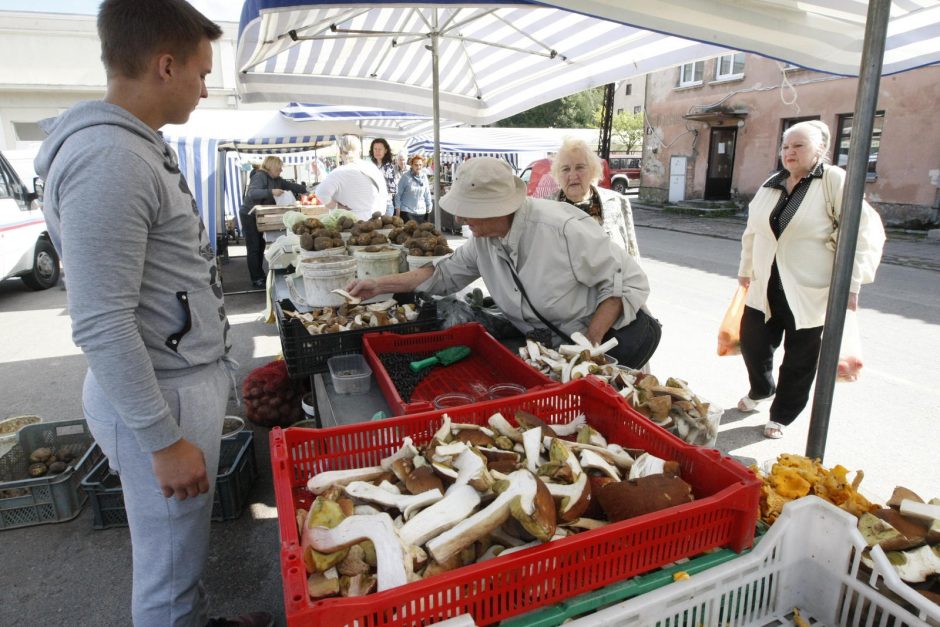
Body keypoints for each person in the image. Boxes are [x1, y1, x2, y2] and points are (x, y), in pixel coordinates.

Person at [32, 2, 272, 626]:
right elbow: (101, 322)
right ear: (166, 66)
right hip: (159, 396)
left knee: (180, 550)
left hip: (170, 383)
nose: (204, 86)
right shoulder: (110, 160)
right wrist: (163, 440)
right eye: (201, 71)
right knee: (165, 571)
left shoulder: (133, 148)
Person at [348, 157, 659, 368]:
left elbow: (621, 282)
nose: (459, 218)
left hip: (611, 347)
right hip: (555, 353)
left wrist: (590, 347)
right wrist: (379, 285)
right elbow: (442, 273)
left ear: (497, 209)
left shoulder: (561, 229)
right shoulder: (484, 241)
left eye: (467, 209)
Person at [737, 120, 885, 439]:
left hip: (810, 289)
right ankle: (762, 389)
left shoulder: (833, 181)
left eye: (799, 146)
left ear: (820, 149)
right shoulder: (772, 183)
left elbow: (861, 232)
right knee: (753, 342)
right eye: (786, 146)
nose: (789, 152)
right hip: (766, 284)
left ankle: (782, 415)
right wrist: (746, 270)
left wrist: (852, 283)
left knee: (800, 359)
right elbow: (753, 232)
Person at [550, 137, 640, 259]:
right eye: (565, 169)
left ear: (593, 170)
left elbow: (631, 253)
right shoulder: (546, 209)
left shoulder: (617, 202)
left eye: (580, 167)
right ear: (557, 175)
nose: (572, 175)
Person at [240, 155, 306, 289]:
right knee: (254, 247)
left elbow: (290, 185)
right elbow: (253, 193)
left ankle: (261, 276)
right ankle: (257, 278)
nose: (281, 171)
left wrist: (307, 191)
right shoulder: (260, 176)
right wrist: (271, 192)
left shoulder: (277, 179)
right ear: (272, 167)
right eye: (279, 168)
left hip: (261, 216)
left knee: (261, 245)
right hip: (249, 215)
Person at [314, 134, 386, 220]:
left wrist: (337, 207)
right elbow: (383, 196)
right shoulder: (373, 168)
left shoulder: (338, 173)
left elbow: (321, 193)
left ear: (340, 152)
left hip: (347, 224)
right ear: (360, 151)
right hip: (372, 222)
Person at [394, 154, 433, 223]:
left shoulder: (424, 177)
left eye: (420, 165)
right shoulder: (405, 177)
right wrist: (398, 210)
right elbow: (398, 194)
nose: (418, 167)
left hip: (422, 212)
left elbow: (427, 193)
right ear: (411, 165)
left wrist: (429, 206)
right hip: (407, 211)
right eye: (416, 165)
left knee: (421, 233)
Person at [370, 138, 397, 216]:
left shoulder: (388, 167)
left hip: (386, 206)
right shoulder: (371, 165)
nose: (377, 151)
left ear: (385, 151)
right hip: (373, 205)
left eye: (380, 149)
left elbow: (393, 189)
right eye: (375, 149)